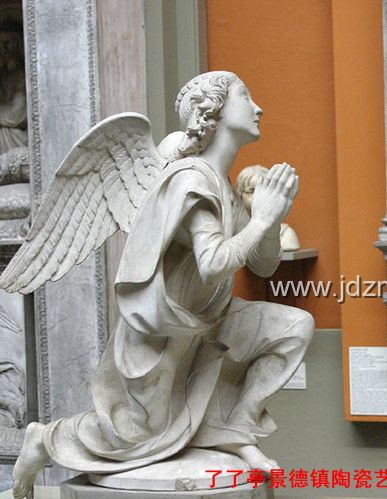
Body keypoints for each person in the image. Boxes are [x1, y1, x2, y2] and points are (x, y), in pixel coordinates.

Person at [12, 71, 314, 498]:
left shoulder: (224, 187)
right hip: (162, 330)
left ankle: (235, 430)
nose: (258, 107)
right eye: (245, 96)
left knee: (293, 328)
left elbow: (264, 266)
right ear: (213, 111)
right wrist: (262, 218)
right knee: (133, 435)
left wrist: (271, 219)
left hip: (210, 320)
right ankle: (46, 438)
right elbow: (213, 264)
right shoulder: (190, 180)